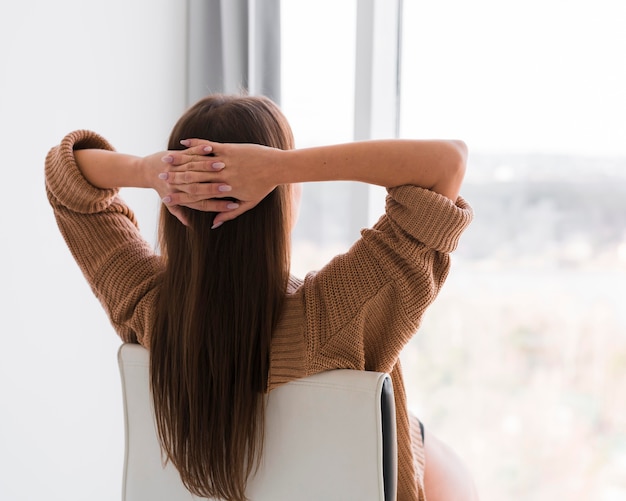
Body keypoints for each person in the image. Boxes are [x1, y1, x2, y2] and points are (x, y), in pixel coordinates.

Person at [45, 94, 477, 501]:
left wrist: (148, 170)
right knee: (435, 452)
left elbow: (66, 174)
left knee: (421, 435)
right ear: (282, 195)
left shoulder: (145, 305)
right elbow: (446, 163)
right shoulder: (334, 313)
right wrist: (282, 167)